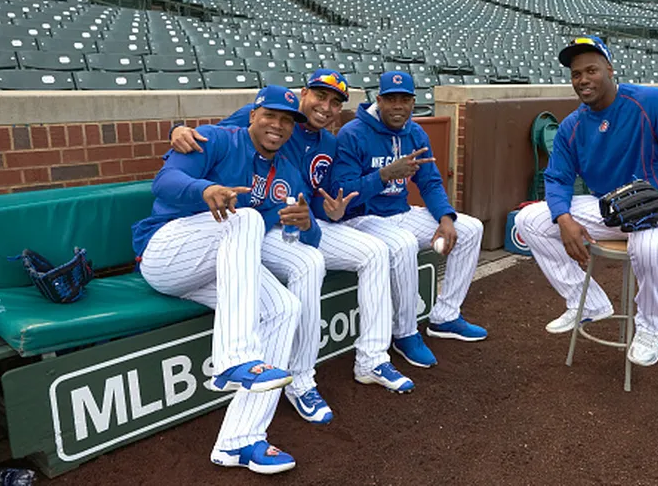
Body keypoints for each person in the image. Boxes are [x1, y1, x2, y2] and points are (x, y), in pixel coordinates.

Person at [170, 70, 415, 413]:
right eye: (319, 97)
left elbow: (319, 202)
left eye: (335, 103)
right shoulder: (273, 117)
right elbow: (210, 135)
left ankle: (372, 359)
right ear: (303, 94)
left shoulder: (330, 143)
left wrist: (331, 210)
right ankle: (300, 379)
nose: (326, 107)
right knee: (307, 263)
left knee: (375, 251)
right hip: (251, 223)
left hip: (293, 223)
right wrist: (176, 130)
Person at [133, 85, 321, 474]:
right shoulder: (217, 139)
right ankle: (234, 358)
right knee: (247, 217)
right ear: (252, 115)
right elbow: (163, 182)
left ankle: (240, 440)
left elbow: (309, 232)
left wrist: (308, 224)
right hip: (165, 252)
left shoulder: (285, 170)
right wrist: (206, 189)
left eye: (287, 120)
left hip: (211, 270)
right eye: (270, 115)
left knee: (285, 307)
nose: (278, 125)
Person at [515, 36, 658, 367]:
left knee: (648, 249)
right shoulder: (572, 125)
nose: (582, 80)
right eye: (576, 74)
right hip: (610, 208)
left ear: (610, 69)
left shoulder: (652, 102)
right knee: (531, 221)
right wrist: (564, 218)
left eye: (591, 70)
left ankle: (651, 325)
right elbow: (557, 177)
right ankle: (588, 303)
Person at [330, 71, 488, 369]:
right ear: (378, 100)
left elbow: (429, 182)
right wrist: (385, 174)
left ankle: (445, 316)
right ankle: (404, 333)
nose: (398, 106)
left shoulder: (415, 132)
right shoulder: (352, 133)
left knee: (470, 229)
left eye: (405, 99)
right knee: (403, 245)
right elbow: (345, 192)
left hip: (400, 213)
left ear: (414, 102)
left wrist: (445, 217)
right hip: (361, 218)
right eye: (391, 99)